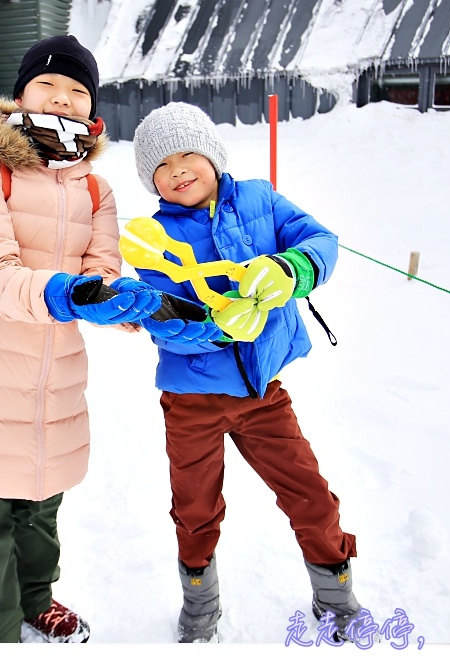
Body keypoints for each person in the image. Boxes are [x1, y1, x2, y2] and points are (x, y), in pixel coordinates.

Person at [0, 37, 215, 644]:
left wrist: (138, 306)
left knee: (41, 504)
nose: (64, 99)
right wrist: (68, 294)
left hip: (50, 376)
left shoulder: (96, 190)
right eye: (49, 85)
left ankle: (36, 599)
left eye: (78, 91)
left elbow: (100, 275)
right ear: (20, 94)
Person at [130, 101, 361, 644]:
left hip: (263, 394)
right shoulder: (151, 237)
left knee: (309, 493)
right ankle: (199, 600)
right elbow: (161, 323)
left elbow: (321, 242)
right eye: (161, 165)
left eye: (188, 154)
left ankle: (335, 595)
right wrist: (217, 327)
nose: (178, 169)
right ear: (152, 180)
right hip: (191, 402)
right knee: (194, 506)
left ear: (212, 154)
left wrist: (292, 269)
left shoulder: (260, 199)